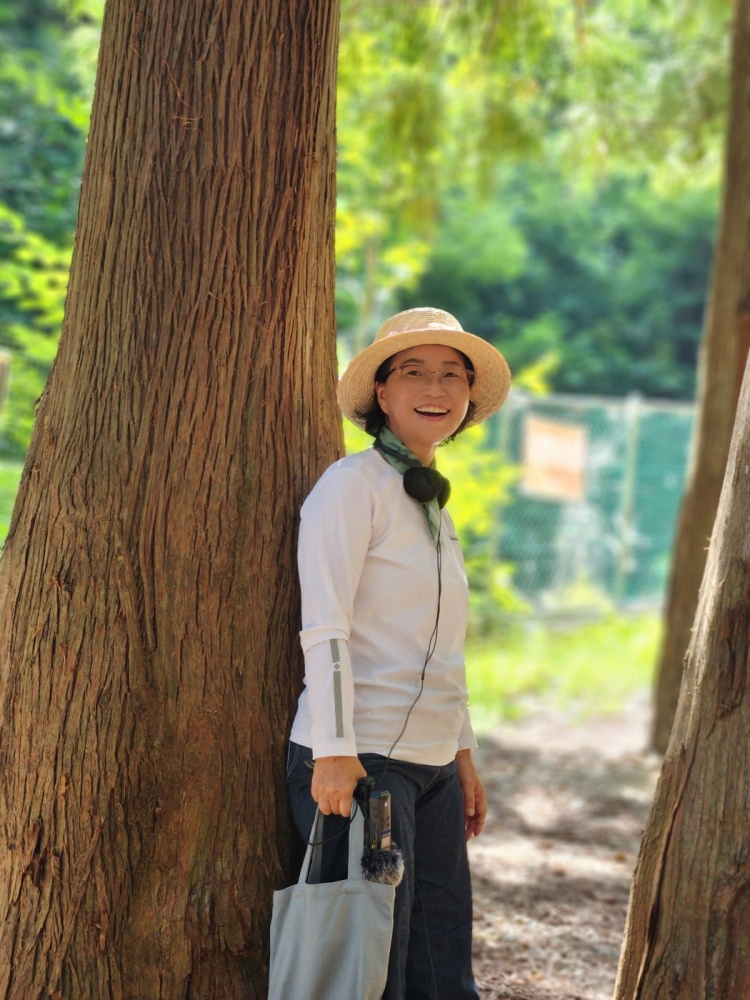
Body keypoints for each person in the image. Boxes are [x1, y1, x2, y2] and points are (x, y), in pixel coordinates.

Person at [286, 306, 511, 999]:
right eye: (414, 372)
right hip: (361, 759)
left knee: (442, 967)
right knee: (372, 971)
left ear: (468, 397)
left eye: (452, 375)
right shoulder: (350, 487)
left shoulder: (436, 509)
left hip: (432, 765)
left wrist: (462, 754)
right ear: (381, 393)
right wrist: (333, 751)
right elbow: (325, 626)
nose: (435, 388)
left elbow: (440, 646)